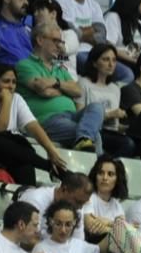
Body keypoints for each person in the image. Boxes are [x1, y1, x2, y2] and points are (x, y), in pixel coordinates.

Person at [16, 22, 104, 154]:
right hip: (47, 120)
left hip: (72, 116)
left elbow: (77, 91)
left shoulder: (60, 68)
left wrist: (56, 82)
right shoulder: (24, 65)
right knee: (94, 136)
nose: (60, 46)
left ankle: (84, 140)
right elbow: (43, 90)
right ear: (40, 40)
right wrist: (64, 91)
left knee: (97, 107)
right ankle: (95, 168)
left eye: (61, 41)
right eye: (56, 40)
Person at [0, 62, 66, 183]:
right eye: (6, 81)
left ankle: (27, 196)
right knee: (0, 141)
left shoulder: (17, 98)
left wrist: (50, 150)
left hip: (13, 155)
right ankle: (47, 166)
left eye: (14, 82)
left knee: (24, 163)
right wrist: (6, 101)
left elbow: (33, 126)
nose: (11, 86)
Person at [78, 44, 134, 158]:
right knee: (128, 144)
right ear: (94, 63)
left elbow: (116, 126)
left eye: (114, 60)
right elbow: (79, 114)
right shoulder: (83, 83)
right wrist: (109, 115)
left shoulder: (115, 88)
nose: (111, 64)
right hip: (94, 131)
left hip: (111, 132)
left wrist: (129, 128)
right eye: (105, 59)